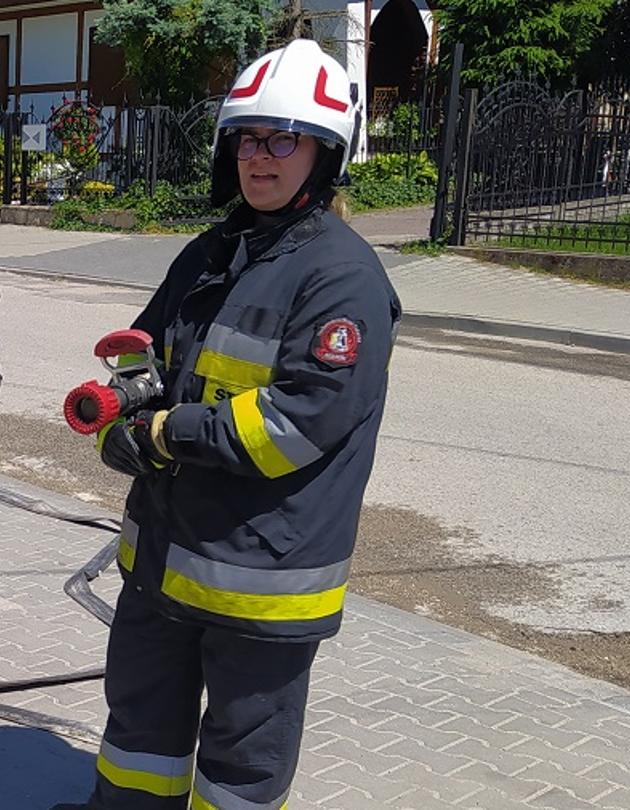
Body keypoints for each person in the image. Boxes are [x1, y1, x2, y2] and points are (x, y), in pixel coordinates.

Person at [82, 40, 400, 808]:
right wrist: (122, 414)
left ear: (326, 151)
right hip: (165, 559)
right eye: (249, 138)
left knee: (239, 771)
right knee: (138, 731)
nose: (262, 157)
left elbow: (296, 421)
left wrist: (167, 433)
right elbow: (143, 352)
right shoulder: (214, 249)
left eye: (283, 139)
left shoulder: (344, 278)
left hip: (261, 584)